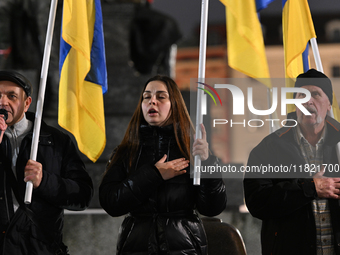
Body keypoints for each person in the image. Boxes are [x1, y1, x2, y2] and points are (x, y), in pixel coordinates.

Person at [99, 74, 227, 255]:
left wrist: (207, 162)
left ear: (174, 104)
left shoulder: (191, 150)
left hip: (185, 248)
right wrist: (154, 174)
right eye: (146, 97)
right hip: (137, 247)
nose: (152, 101)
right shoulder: (126, 151)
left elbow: (213, 208)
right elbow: (110, 202)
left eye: (161, 97)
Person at [244, 69, 340, 255]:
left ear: (329, 103)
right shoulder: (269, 148)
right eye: (301, 95)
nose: (308, 101)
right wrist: (309, 188)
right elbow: (256, 201)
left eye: (316, 94)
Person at [0, 70, 93, 254]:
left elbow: (83, 195)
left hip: (38, 247)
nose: (3, 102)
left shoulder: (56, 141)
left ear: (27, 103)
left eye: (12, 96)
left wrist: (45, 181)